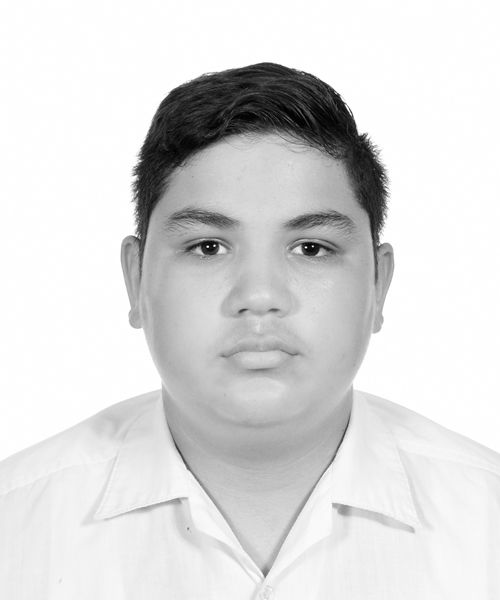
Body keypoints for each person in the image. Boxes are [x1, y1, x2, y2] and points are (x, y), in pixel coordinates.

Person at [1, 62, 499, 599]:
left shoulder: (485, 521)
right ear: (135, 277)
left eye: (312, 248)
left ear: (378, 285)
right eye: (208, 247)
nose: (259, 295)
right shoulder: (17, 525)